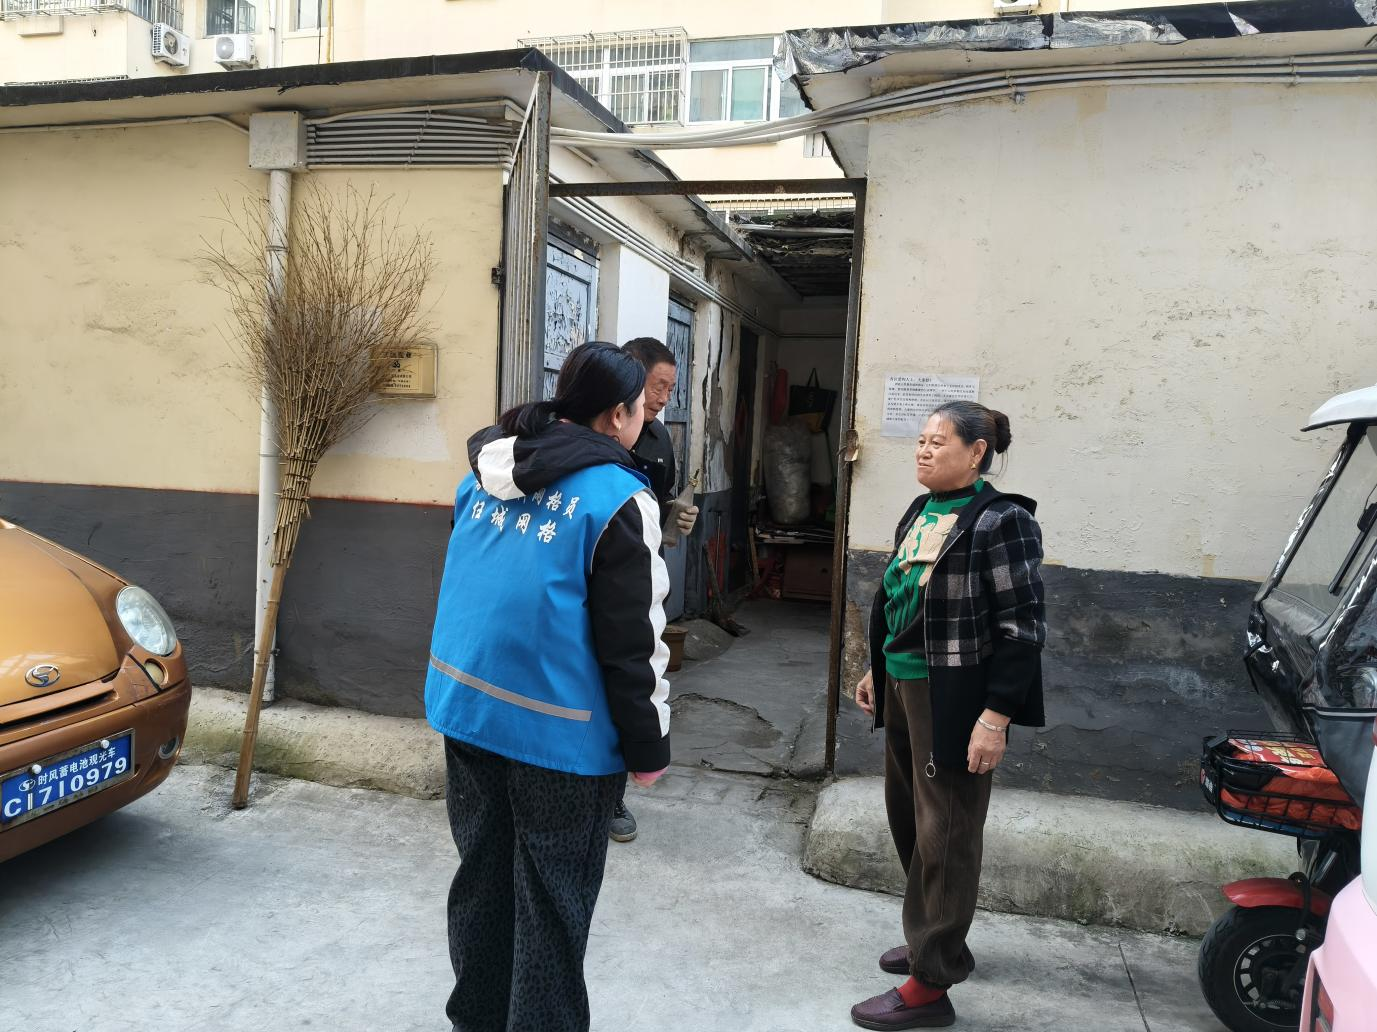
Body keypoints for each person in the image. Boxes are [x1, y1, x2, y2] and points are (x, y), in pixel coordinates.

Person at [425, 341, 672, 1032]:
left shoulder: (484, 473)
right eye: (641, 408)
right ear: (617, 414)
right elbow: (632, 643)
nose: (646, 419)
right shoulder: (618, 498)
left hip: (467, 709)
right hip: (560, 736)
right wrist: (648, 746)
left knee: (482, 878)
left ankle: (476, 1019)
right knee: (552, 903)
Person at [850, 401, 1046, 1031]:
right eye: (922, 440)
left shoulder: (1002, 520)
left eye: (939, 441)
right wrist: (876, 669)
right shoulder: (922, 510)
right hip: (904, 683)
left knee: (948, 831)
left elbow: (1022, 626)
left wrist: (996, 717)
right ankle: (936, 939)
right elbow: (899, 598)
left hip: (953, 696)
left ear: (977, 452)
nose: (924, 450)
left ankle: (931, 984)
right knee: (909, 816)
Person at [606, 336, 699, 843]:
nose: (664, 398)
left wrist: (673, 518)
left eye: (670, 388)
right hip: (601, 576)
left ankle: (614, 790)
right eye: (657, 386)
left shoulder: (660, 438)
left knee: (637, 676)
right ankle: (606, 791)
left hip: (641, 574)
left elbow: (657, 503)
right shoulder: (597, 434)